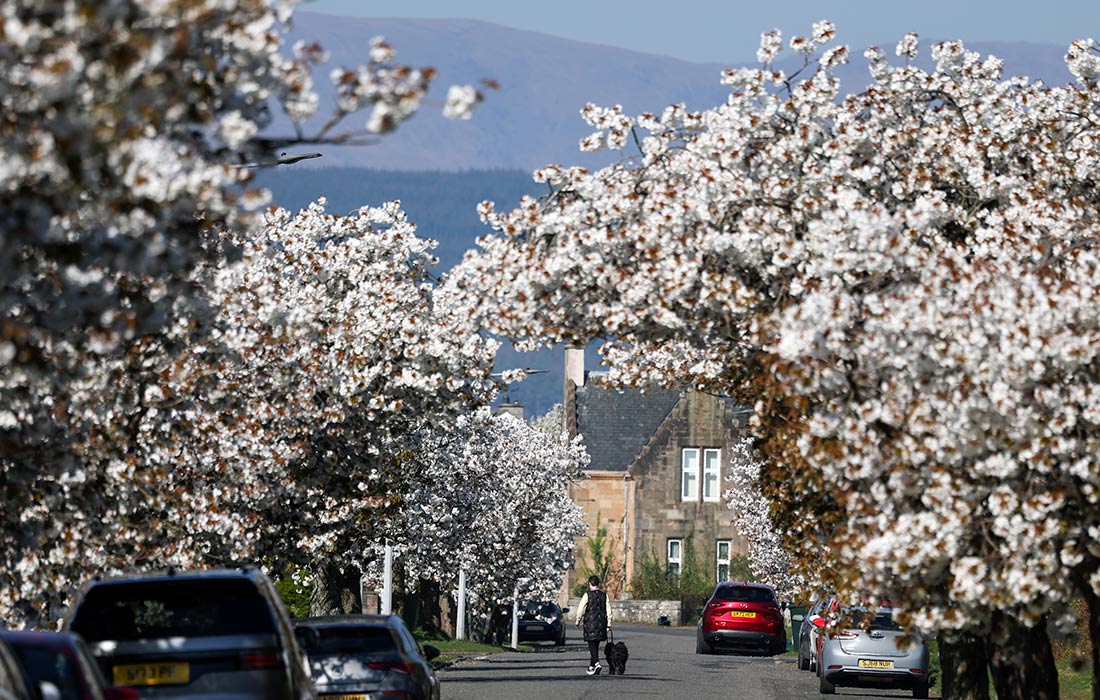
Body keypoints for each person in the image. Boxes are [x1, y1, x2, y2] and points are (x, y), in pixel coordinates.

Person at [574, 575, 612, 675]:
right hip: (601, 624)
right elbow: (608, 610)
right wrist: (608, 624)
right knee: (596, 645)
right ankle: (591, 667)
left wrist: (578, 621)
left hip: (590, 623)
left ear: (590, 583)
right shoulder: (604, 595)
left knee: (591, 645)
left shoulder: (587, 595)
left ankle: (597, 664)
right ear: (598, 584)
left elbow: (580, 609)